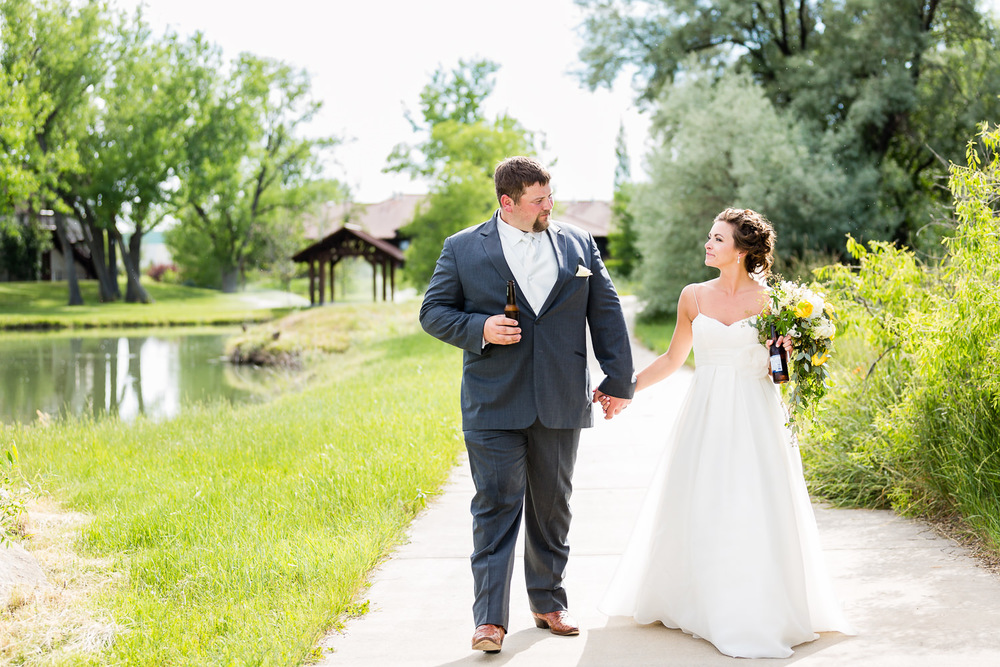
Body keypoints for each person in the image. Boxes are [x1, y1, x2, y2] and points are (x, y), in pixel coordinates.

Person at [598, 207, 852, 658]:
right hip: (706, 413)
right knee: (705, 499)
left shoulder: (778, 302)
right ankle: (700, 598)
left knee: (755, 504)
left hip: (757, 415)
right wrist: (625, 389)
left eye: (718, 239)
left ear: (742, 250)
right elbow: (674, 360)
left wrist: (788, 353)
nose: (708, 244)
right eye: (709, 236)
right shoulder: (693, 297)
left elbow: (781, 378)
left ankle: (758, 603)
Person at [420, 156, 636, 654]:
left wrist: (619, 380)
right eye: (539, 200)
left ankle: (548, 601)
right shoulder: (461, 249)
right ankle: (490, 621)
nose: (549, 206)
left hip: (561, 397)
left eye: (550, 195)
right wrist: (480, 329)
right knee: (496, 507)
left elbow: (606, 310)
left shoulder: (579, 243)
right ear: (507, 203)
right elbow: (432, 312)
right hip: (493, 402)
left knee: (553, 507)